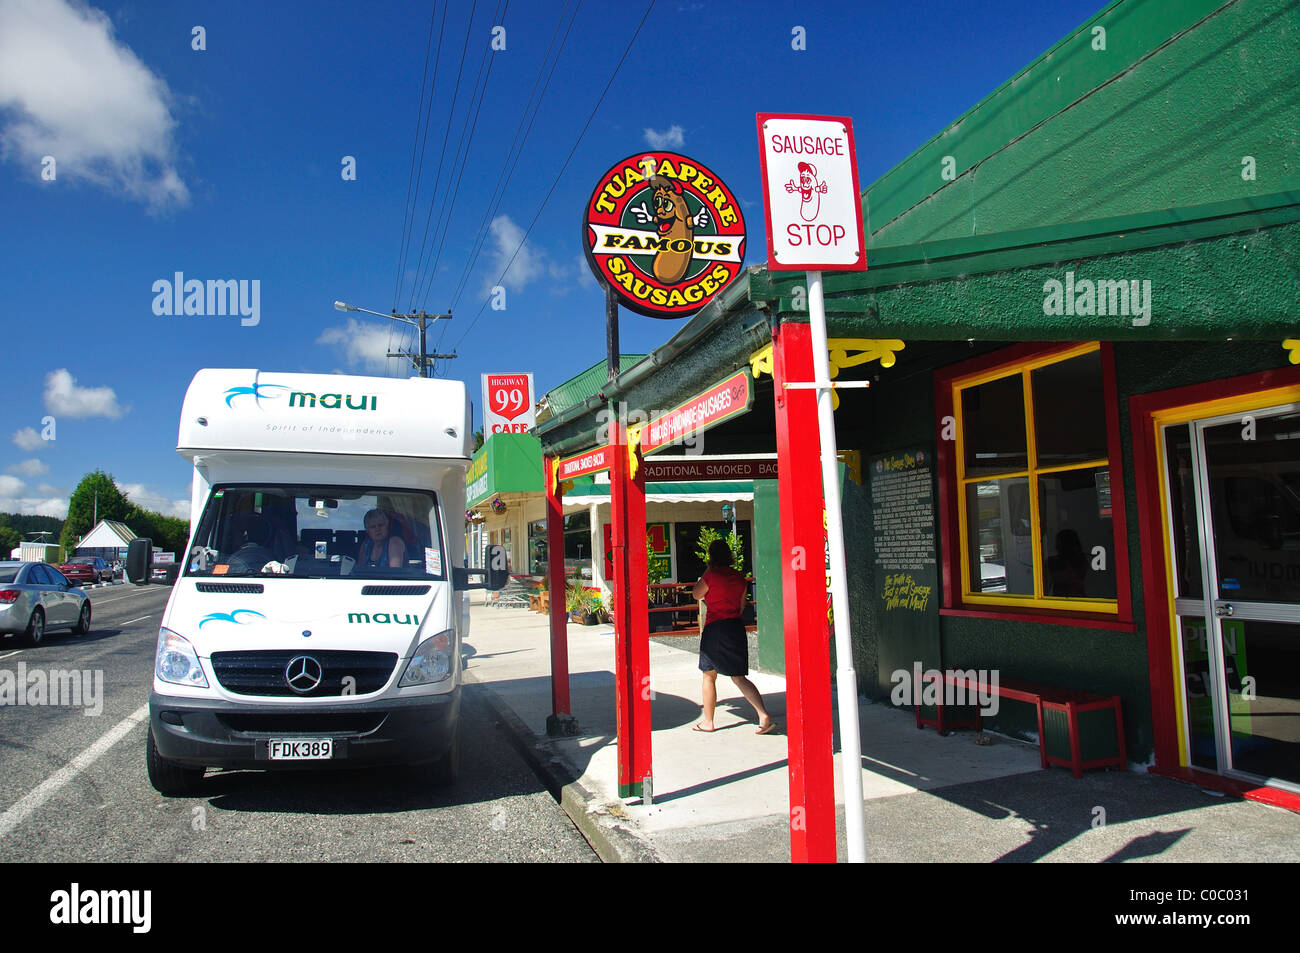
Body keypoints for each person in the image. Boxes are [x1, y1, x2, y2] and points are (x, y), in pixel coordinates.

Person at [691, 539, 777, 735]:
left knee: (708, 675)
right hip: (735, 627)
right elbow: (740, 606)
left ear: (711, 556)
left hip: (715, 628)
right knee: (738, 676)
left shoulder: (711, 575)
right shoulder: (739, 578)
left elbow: (697, 594)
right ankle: (763, 714)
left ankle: (708, 721)